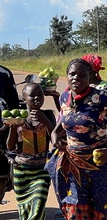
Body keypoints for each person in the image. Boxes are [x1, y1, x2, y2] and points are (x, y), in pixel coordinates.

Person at [45, 58, 107, 219]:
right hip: (73, 164)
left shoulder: (101, 98)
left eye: (82, 75)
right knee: (75, 211)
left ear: (90, 77)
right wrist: (54, 136)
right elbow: (61, 124)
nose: (76, 78)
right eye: (72, 74)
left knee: (101, 209)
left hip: (100, 164)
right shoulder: (64, 97)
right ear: (66, 76)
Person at [6, 82, 56, 220]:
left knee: (38, 204)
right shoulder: (18, 117)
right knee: (25, 211)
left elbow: (55, 141)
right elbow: (10, 147)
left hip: (42, 169)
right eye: (32, 95)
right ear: (23, 98)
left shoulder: (48, 115)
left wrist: (46, 122)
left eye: (40, 95)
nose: (37, 98)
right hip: (22, 171)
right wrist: (12, 127)